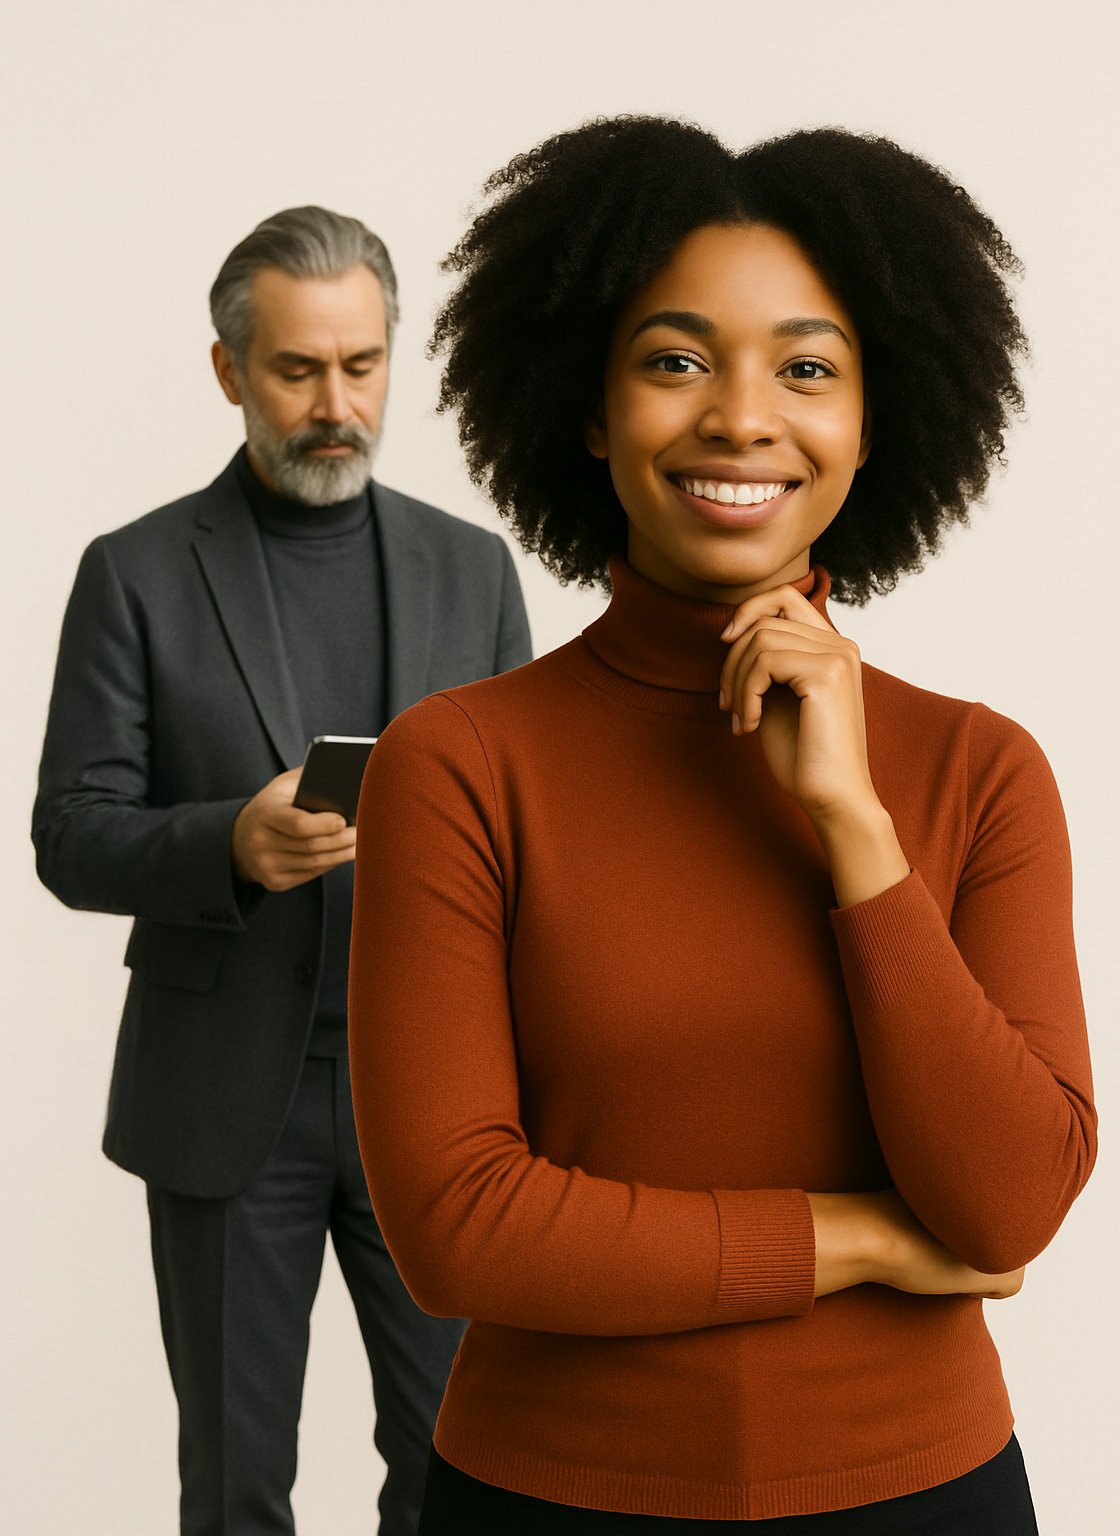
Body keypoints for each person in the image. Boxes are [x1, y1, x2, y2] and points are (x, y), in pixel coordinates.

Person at [345, 120, 1097, 1533]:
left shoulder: (981, 772)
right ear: (587, 404)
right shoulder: (461, 764)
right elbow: (458, 1227)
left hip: (923, 1498)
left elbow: (1009, 1209)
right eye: (676, 359)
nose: (742, 416)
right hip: (547, 1500)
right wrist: (860, 1238)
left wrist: (854, 827)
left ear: (878, 419)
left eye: (807, 367)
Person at [32, 205, 532, 1536]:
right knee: (238, 1486)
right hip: (225, 1105)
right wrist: (229, 845)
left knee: (459, 1473)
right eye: (299, 370)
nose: (336, 403)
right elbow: (70, 832)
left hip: (431, 1104)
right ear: (229, 371)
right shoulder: (135, 572)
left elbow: (531, 842)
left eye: (361, 366)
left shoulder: (472, 571)